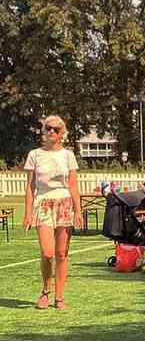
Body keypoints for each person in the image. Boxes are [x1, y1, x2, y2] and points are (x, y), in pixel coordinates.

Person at [23, 115, 83, 310]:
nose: (51, 132)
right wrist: (27, 213)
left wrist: (78, 211)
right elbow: (30, 187)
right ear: (43, 130)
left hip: (64, 204)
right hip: (42, 204)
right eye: (48, 128)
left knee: (61, 253)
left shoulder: (68, 155)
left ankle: (59, 297)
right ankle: (45, 291)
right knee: (47, 253)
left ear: (62, 133)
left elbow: (73, 186)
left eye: (56, 129)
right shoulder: (34, 155)